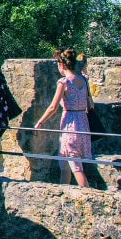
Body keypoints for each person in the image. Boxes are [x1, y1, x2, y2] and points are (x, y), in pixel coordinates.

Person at [35, 48, 92, 187]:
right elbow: (90, 104)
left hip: (70, 123)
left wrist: (40, 122)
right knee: (64, 164)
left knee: (75, 166)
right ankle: (63, 192)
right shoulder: (83, 80)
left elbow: (53, 107)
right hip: (83, 122)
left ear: (62, 65)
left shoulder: (64, 82)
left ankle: (89, 195)